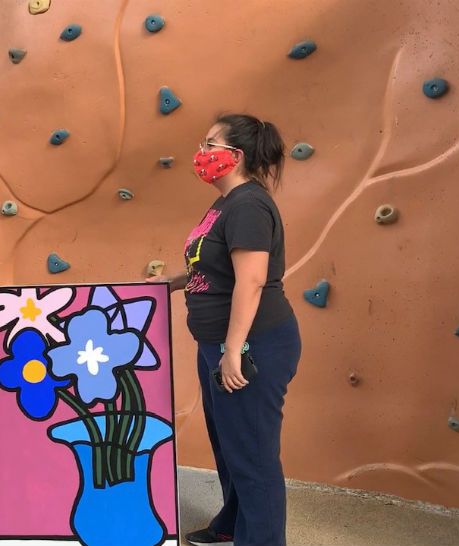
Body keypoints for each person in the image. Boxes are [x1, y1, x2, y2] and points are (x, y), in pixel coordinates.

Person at [148, 114, 301, 546]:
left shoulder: (248, 205)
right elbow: (215, 267)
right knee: (229, 444)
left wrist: (233, 350)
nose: (201, 152)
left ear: (235, 154)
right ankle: (233, 524)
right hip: (217, 344)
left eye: (209, 143)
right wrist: (173, 282)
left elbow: (251, 281)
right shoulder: (226, 203)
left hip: (252, 345)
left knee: (253, 454)